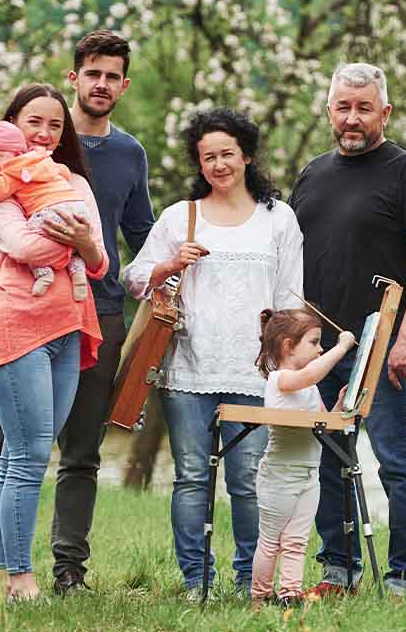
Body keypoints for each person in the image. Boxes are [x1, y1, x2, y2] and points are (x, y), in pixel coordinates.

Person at [0, 30, 155, 600]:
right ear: (75, 76)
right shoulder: (28, 143)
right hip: (25, 314)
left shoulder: (127, 155)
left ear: (123, 85)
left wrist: (165, 276)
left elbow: (140, 235)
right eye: (92, 73)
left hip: (95, 311)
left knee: (80, 454)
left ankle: (69, 573)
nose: (101, 84)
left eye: (112, 76)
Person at [121, 108, 304, 599]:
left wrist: (288, 371)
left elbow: (290, 300)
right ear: (198, 163)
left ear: (247, 155)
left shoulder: (278, 218)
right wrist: (168, 263)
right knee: (192, 478)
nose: (219, 165)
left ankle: (251, 579)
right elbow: (134, 278)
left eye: (227, 154)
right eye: (208, 157)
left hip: (253, 373)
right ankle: (196, 580)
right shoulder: (181, 216)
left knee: (248, 481)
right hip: (187, 369)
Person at [289, 62, 406, 597]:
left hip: (381, 344)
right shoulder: (312, 174)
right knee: (328, 459)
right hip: (321, 348)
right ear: (329, 110)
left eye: (363, 108)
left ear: (385, 112)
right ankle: (340, 571)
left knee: (397, 462)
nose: (352, 118)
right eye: (343, 107)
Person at [0, 83, 108, 602]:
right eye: (35, 122)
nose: (46, 134)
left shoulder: (73, 181)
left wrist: (85, 244)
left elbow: (100, 262)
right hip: (19, 325)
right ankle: (18, 578)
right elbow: (23, 245)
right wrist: (73, 240)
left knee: (35, 454)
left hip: (69, 327)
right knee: (25, 456)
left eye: (55, 125)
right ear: (13, 122)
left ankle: (15, 574)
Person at [250, 308, 355, 607]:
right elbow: (311, 373)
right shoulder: (280, 379)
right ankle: (259, 597)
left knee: (297, 542)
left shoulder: (309, 388)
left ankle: (289, 595)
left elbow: (325, 427)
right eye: (314, 342)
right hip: (279, 477)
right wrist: (342, 347)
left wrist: (338, 406)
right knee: (271, 543)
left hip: (309, 476)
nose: (320, 348)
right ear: (288, 345)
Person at [0, 120, 91, 300]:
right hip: (78, 208)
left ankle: (44, 273)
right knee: (70, 243)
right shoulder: (41, 158)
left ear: (17, 153)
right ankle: (78, 273)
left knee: (29, 239)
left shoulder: (13, 168)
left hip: (51, 211)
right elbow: (64, 172)